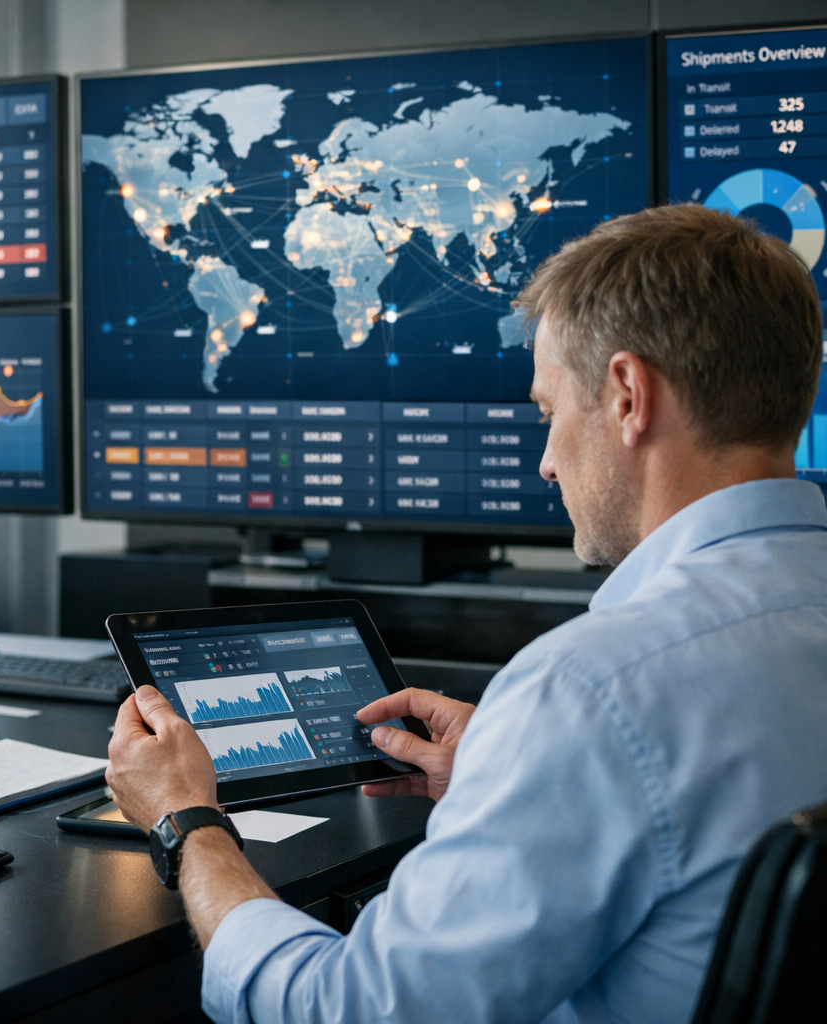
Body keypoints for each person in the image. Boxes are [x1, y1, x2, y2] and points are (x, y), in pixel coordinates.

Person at [106, 204, 827, 1024]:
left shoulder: (592, 689)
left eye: (551, 412)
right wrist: (515, 773)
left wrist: (188, 823)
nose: (549, 464)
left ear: (628, 396)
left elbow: (347, 1011)